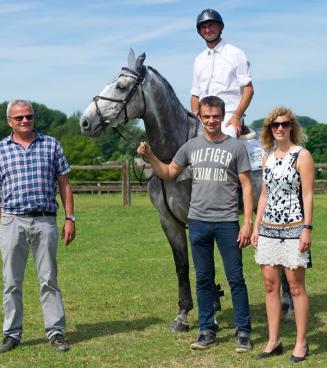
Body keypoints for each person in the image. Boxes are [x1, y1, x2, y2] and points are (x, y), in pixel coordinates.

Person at [137, 96, 253, 352]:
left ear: (223, 117)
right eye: (207, 116)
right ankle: (206, 331)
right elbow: (168, 172)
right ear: (200, 118)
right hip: (198, 222)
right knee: (203, 279)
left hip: (226, 222)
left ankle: (243, 332)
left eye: (216, 116)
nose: (211, 121)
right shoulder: (190, 147)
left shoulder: (236, 148)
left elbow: (246, 185)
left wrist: (248, 223)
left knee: (236, 278)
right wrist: (150, 156)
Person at [0, 100, 76, 353]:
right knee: (11, 281)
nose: (24, 121)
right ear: (9, 121)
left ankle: (56, 332)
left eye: (28, 116)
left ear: (34, 118)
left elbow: (64, 183)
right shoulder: (1, 149)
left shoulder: (51, 144)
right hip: (12, 220)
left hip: (45, 220)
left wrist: (70, 218)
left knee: (49, 280)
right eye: (19, 117)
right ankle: (11, 334)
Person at [251, 107, 314, 363]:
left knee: (296, 286)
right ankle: (273, 340)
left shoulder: (302, 155)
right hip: (268, 228)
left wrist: (307, 228)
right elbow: (264, 195)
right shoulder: (267, 157)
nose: (280, 128)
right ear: (269, 129)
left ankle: (301, 343)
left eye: (285, 124)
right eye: (275, 125)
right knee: (269, 285)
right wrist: (256, 226)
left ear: (291, 127)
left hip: (294, 227)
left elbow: (308, 195)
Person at [191, 9, 254, 138]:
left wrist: (236, 116)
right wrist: (196, 116)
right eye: (204, 27)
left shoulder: (236, 53)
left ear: (220, 27)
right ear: (200, 32)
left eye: (211, 26)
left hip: (228, 117)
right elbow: (195, 95)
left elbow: (248, 90)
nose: (207, 30)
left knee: (221, 143)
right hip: (204, 119)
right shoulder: (198, 60)